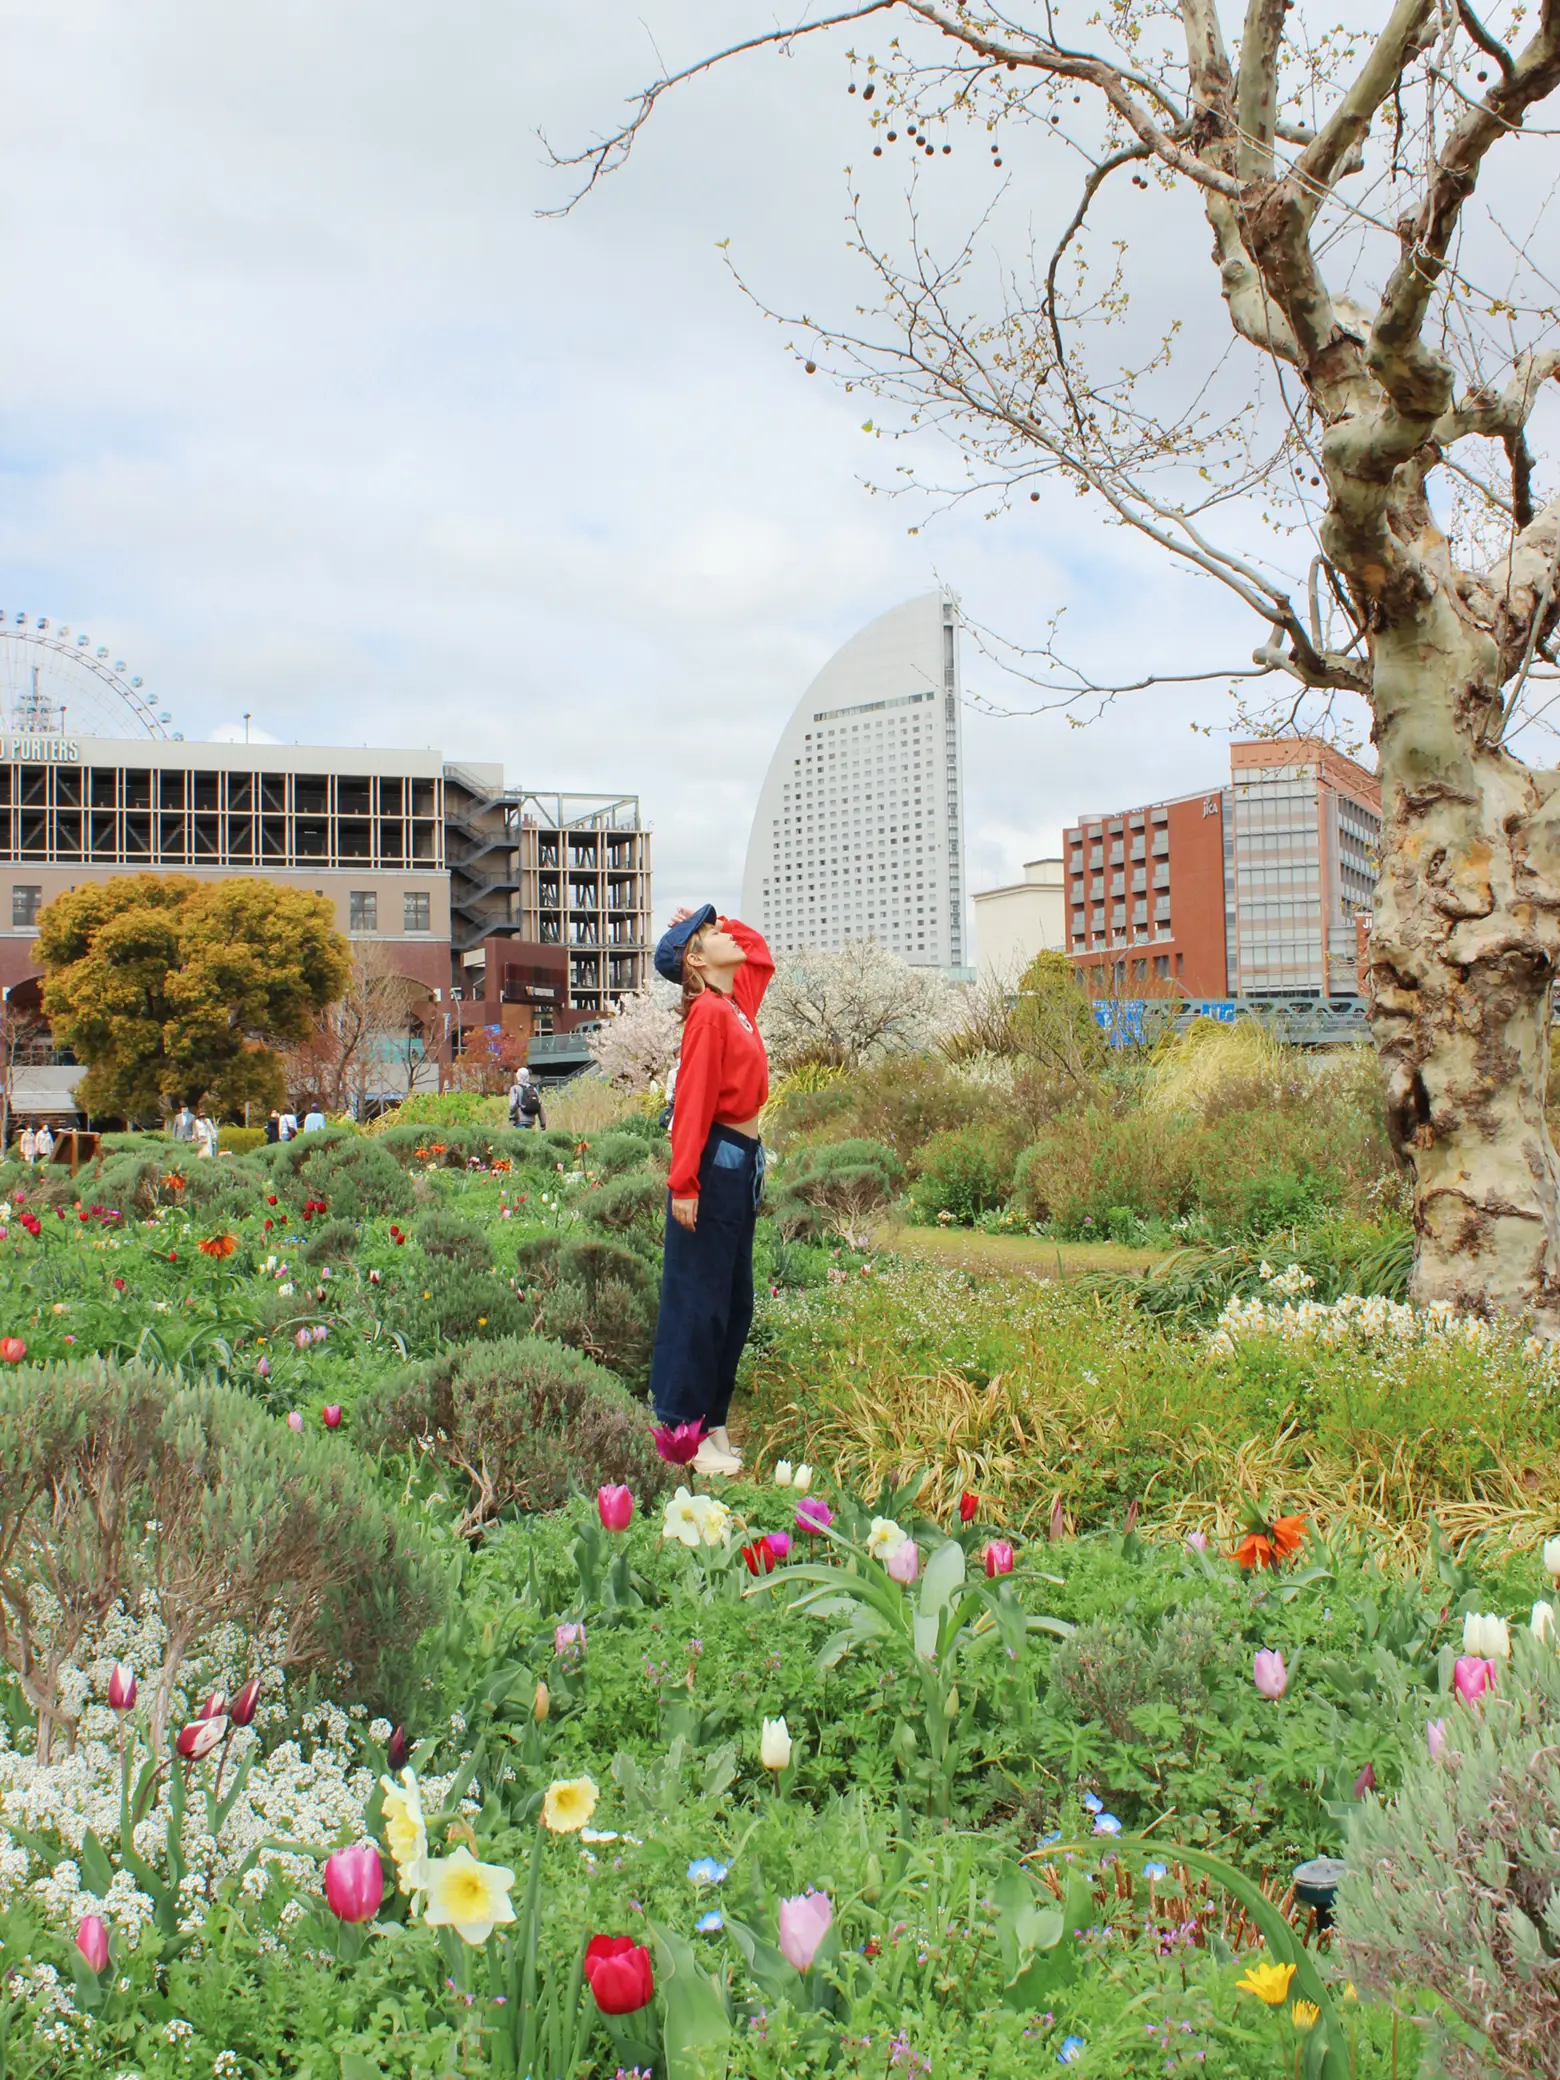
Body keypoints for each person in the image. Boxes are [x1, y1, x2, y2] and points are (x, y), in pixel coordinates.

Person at [647, 904, 773, 1478]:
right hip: (714, 1160)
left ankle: (712, 1421)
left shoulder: (734, 1004)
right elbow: (693, 1098)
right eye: (712, 932)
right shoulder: (707, 1013)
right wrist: (684, 1183)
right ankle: (682, 1427)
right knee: (697, 1301)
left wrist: (713, 915)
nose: (728, 934)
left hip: (742, 1161)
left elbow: (759, 951)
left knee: (732, 1302)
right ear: (696, 959)